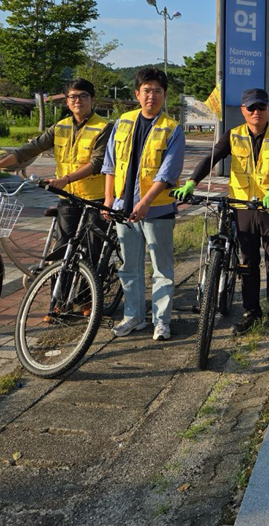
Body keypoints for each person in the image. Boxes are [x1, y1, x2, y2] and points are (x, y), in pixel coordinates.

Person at [173, 88, 269, 339]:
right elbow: (211, 158)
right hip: (242, 207)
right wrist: (192, 181)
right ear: (243, 111)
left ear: (268, 109)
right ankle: (251, 311)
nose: (256, 112)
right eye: (251, 108)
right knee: (247, 262)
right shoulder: (233, 135)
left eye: (261, 107)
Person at [0, 78, 112, 267]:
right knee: (61, 249)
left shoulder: (104, 127)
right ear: (67, 101)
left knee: (91, 249)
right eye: (73, 97)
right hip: (67, 197)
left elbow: (97, 162)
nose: (78, 101)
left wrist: (65, 179)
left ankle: (90, 293)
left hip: (95, 199)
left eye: (83, 96)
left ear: (92, 99)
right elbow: (29, 149)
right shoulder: (61, 127)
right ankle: (60, 295)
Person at [102, 68, 185, 341]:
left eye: (157, 91)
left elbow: (167, 173)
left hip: (157, 209)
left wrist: (146, 202)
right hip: (123, 208)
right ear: (137, 94)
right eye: (146, 91)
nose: (152, 96)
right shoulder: (122, 122)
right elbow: (110, 164)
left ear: (165, 95)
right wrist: (108, 199)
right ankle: (133, 317)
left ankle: (161, 321)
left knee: (161, 268)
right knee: (129, 266)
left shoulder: (172, 129)